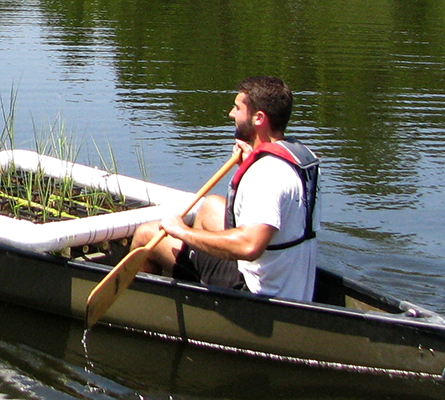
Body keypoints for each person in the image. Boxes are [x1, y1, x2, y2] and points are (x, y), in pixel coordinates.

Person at [131, 76, 321, 302]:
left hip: (260, 293)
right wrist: (250, 161)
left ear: (258, 118)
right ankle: (199, 290)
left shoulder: (266, 174)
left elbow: (250, 245)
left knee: (146, 234)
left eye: (238, 108)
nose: (232, 114)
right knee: (210, 206)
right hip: (292, 283)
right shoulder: (302, 156)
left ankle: (146, 308)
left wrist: (182, 231)